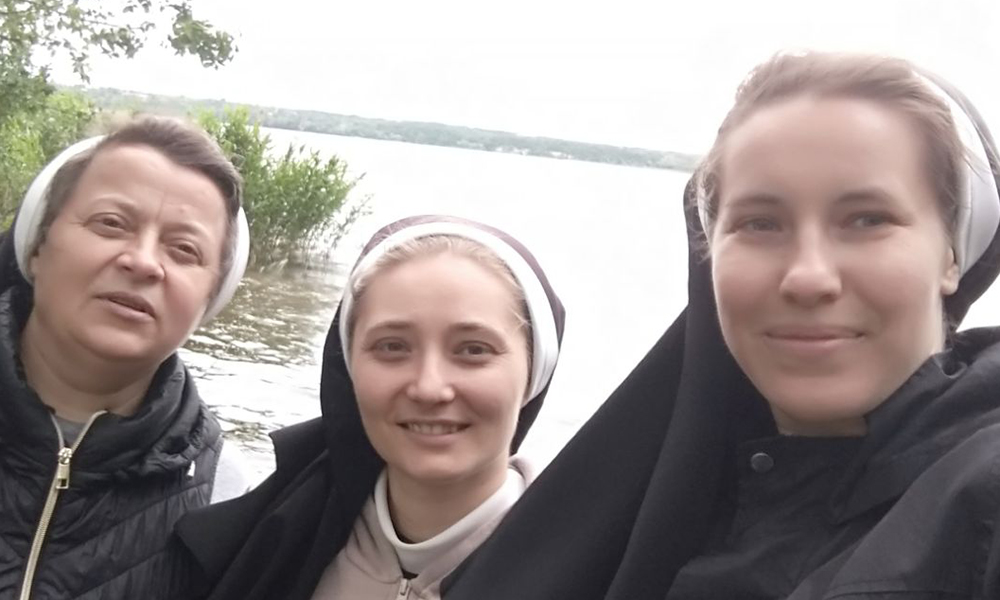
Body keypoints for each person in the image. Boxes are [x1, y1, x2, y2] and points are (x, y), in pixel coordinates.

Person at [441, 52, 1000, 599]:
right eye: (761, 223)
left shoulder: (979, 498)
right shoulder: (672, 520)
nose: (808, 277)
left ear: (951, 255)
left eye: (867, 219)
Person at [176, 215, 566, 599]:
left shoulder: (588, 571)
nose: (429, 388)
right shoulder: (267, 549)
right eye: (392, 346)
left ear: (534, 370)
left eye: (473, 350)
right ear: (350, 368)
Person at [0, 116, 252, 599]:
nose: (142, 261)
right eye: (111, 223)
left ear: (208, 300)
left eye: (183, 249)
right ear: (37, 247)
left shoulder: (227, 496)